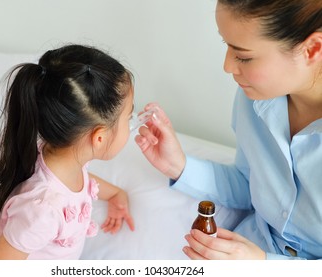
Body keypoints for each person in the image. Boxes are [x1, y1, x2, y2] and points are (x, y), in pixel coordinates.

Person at [135, 0, 322, 260]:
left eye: (243, 56)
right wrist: (179, 166)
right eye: (227, 46)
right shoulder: (255, 98)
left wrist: (262, 265)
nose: (228, 66)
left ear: (312, 49)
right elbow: (250, 184)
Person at [0, 44, 135, 260]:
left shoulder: (64, 160)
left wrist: (115, 194)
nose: (131, 124)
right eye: (128, 117)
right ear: (99, 138)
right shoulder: (43, 210)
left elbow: (82, 181)